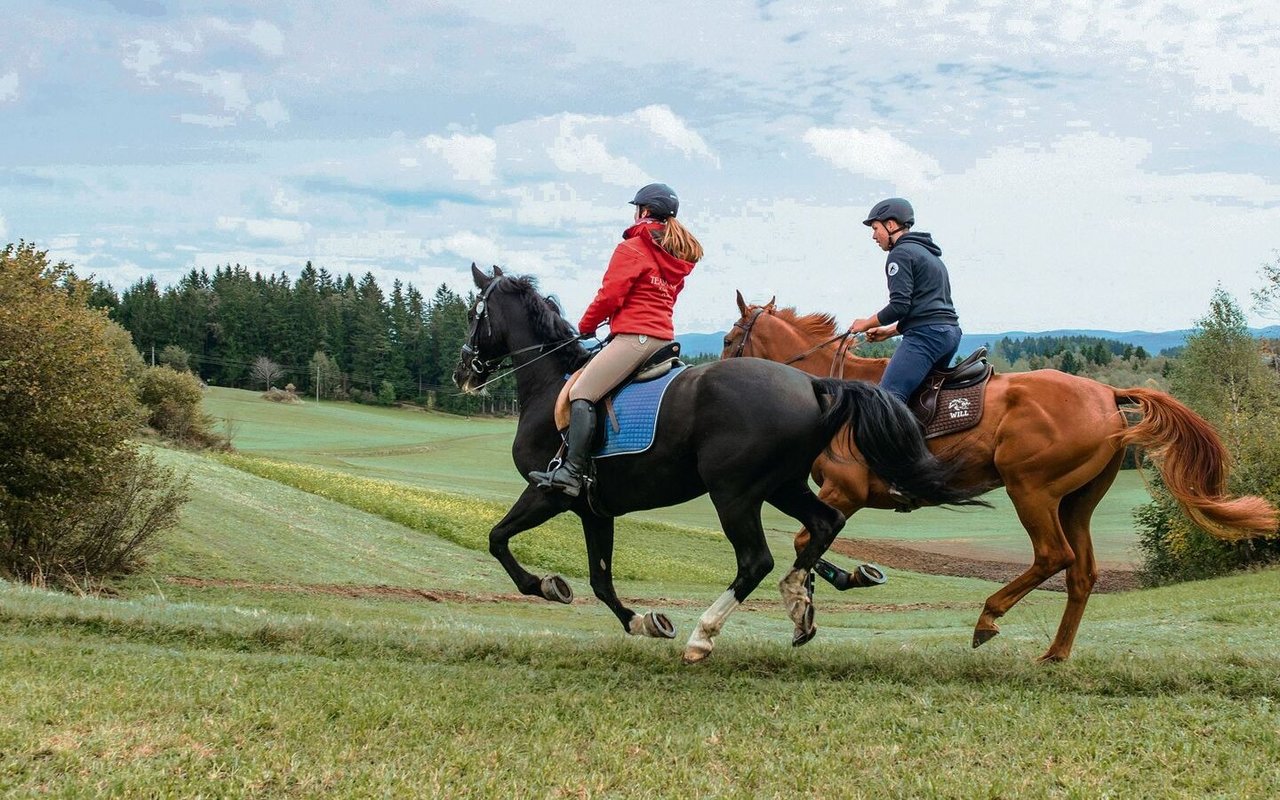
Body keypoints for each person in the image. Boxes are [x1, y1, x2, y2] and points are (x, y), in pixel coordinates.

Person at [529, 183, 703, 496]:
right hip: (663, 340)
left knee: (581, 392)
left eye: (636, 208)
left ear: (644, 211)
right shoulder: (677, 258)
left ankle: (571, 472)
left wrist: (585, 325)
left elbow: (610, 294)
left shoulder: (632, 248)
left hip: (634, 340)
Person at [846, 197, 962, 403]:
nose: (874, 236)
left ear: (890, 225)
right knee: (918, 397)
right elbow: (925, 308)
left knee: (886, 400)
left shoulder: (900, 254)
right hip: (949, 334)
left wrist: (866, 323)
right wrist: (889, 332)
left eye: (875, 228)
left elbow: (899, 306)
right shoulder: (929, 254)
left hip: (926, 337)